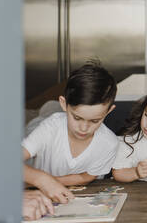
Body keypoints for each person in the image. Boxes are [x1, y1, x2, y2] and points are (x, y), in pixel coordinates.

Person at [22, 61, 119, 203]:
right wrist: (42, 180)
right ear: (64, 104)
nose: (84, 128)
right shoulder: (51, 127)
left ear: (109, 111)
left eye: (94, 121)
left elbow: (87, 176)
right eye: (77, 118)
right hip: (43, 126)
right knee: (39, 119)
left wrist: (53, 182)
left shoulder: (109, 143)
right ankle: (48, 108)